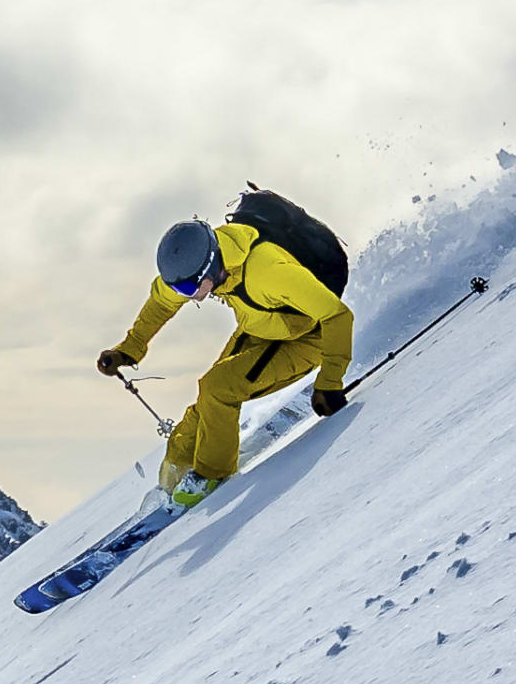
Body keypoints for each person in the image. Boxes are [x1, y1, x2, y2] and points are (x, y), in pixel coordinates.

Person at [102, 206, 354, 506]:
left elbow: (338, 316)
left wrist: (330, 382)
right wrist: (129, 349)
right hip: (260, 326)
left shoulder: (269, 270)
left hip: (308, 337)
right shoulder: (205, 264)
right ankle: (174, 474)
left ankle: (212, 475)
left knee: (219, 388)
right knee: (208, 403)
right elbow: (161, 302)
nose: (184, 294)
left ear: (209, 268)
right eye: (179, 287)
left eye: (187, 288)